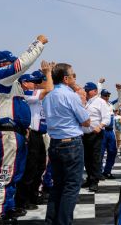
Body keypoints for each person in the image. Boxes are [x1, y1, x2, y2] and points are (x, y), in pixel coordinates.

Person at [0, 35, 48, 224]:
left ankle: (7, 207)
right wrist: (38, 44)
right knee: (5, 173)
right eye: (10, 63)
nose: (13, 66)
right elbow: (21, 65)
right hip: (6, 132)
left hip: (15, 133)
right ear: (2, 64)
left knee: (14, 174)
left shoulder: (12, 84)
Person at [43, 63, 90, 225]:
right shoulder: (71, 96)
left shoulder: (48, 96)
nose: (73, 77)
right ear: (65, 78)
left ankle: (51, 221)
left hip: (55, 143)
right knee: (71, 187)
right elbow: (85, 121)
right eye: (72, 75)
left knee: (58, 186)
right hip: (71, 144)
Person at [15, 62, 53, 212]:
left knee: (39, 167)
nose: (38, 84)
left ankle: (32, 195)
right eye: (34, 82)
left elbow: (51, 88)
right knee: (29, 169)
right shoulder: (28, 94)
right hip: (31, 135)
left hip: (39, 135)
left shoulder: (36, 94)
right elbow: (49, 88)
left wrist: (51, 73)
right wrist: (48, 73)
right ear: (24, 83)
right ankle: (22, 200)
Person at [81, 82, 110, 192]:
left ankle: (94, 181)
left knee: (95, 158)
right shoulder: (85, 101)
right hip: (84, 134)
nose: (86, 92)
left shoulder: (101, 102)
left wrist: (100, 126)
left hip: (96, 134)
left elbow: (107, 118)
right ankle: (89, 178)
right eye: (86, 90)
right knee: (87, 158)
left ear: (95, 91)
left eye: (88, 90)